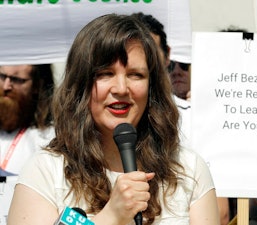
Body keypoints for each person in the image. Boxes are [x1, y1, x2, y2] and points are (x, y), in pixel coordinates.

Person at [8, 13, 219, 225]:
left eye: (135, 75)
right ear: (81, 84)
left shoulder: (189, 171)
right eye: (105, 74)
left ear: (151, 86)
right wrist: (111, 217)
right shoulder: (44, 171)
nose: (121, 89)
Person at [132, 12, 230, 225]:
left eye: (150, 51)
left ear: (166, 54)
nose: (142, 62)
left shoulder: (197, 118)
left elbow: (219, 211)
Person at [0, 64, 55, 224]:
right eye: (2, 76)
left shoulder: (51, 137)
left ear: (37, 85)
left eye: (17, 80)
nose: (7, 86)